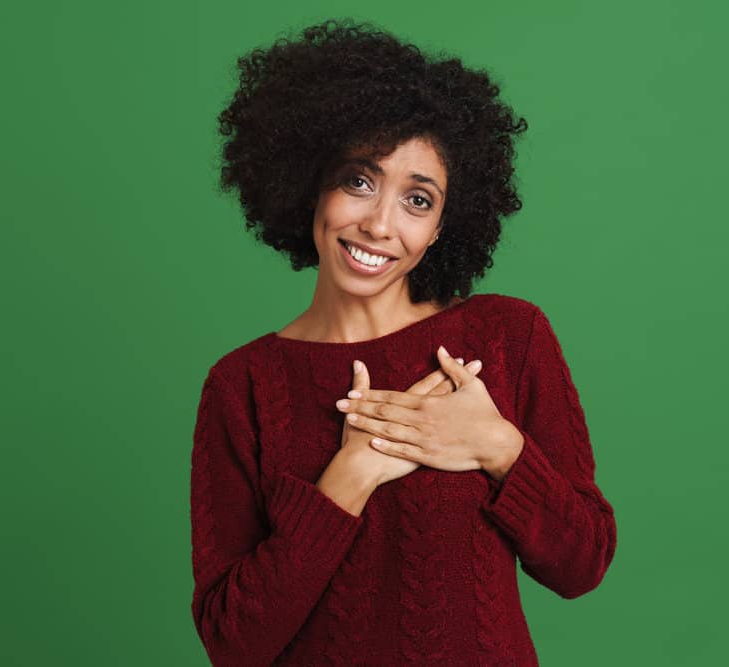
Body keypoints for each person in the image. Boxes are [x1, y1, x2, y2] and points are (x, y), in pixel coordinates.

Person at [190, 18, 617, 666]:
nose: (380, 224)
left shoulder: (508, 338)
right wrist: (349, 477)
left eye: (418, 200)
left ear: (444, 225)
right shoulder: (242, 385)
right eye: (359, 180)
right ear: (312, 180)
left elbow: (582, 562)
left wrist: (497, 446)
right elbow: (232, 642)